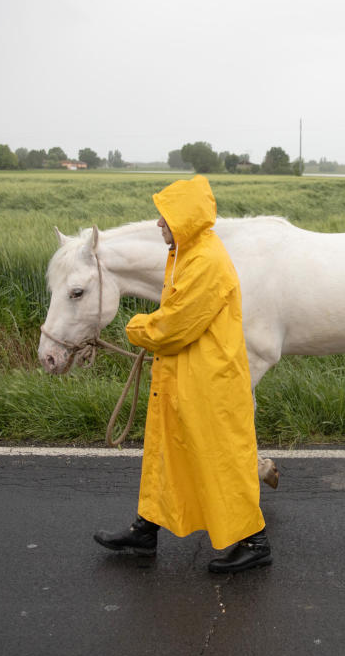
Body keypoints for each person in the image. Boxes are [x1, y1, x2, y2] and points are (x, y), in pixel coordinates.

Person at [93, 175, 270, 574]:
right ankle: (146, 530)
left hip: (209, 384)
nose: (159, 223)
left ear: (186, 220)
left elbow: (173, 327)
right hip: (187, 377)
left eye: (166, 217)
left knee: (222, 460)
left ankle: (255, 542)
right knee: (167, 454)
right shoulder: (187, 253)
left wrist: (136, 328)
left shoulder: (205, 261)